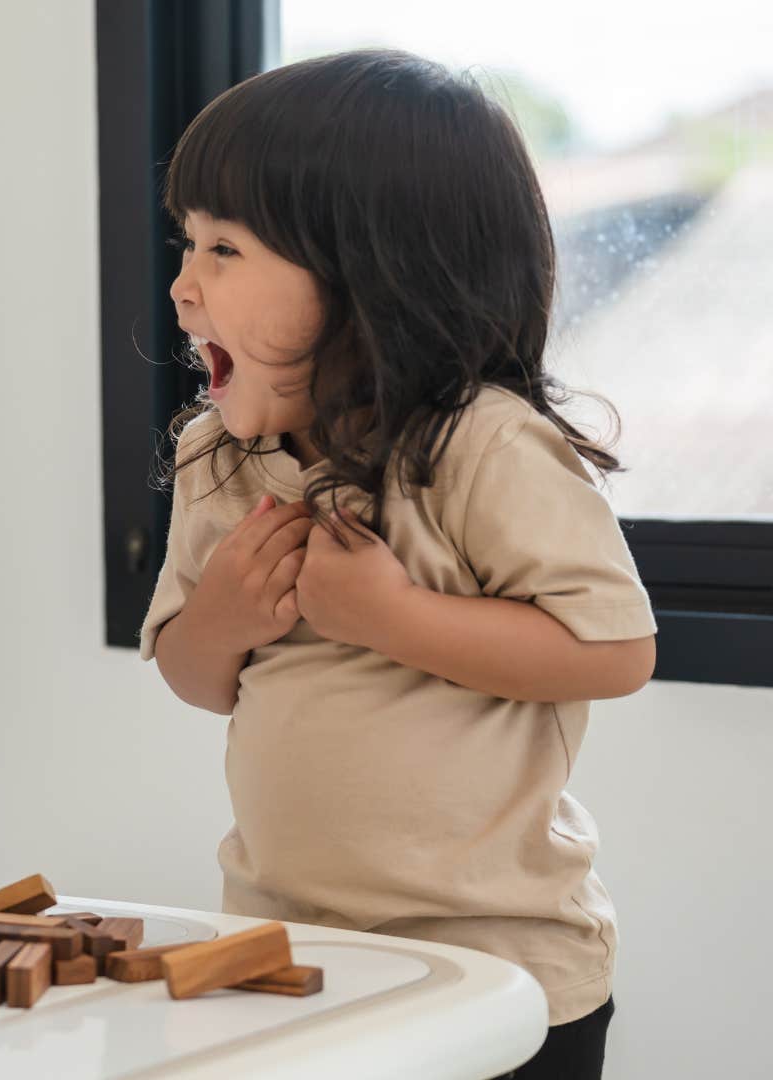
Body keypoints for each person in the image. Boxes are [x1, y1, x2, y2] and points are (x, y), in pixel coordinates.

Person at [141, 49, 655, 1080]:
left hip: (499, 973)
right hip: (290, 954)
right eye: (187, 244)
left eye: (225, 249)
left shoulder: (484, 446)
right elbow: (196, 679)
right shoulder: (220, 456)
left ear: (370, 270)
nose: (183, 285)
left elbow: (612, 651)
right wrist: (227, 619)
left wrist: (391, 618)